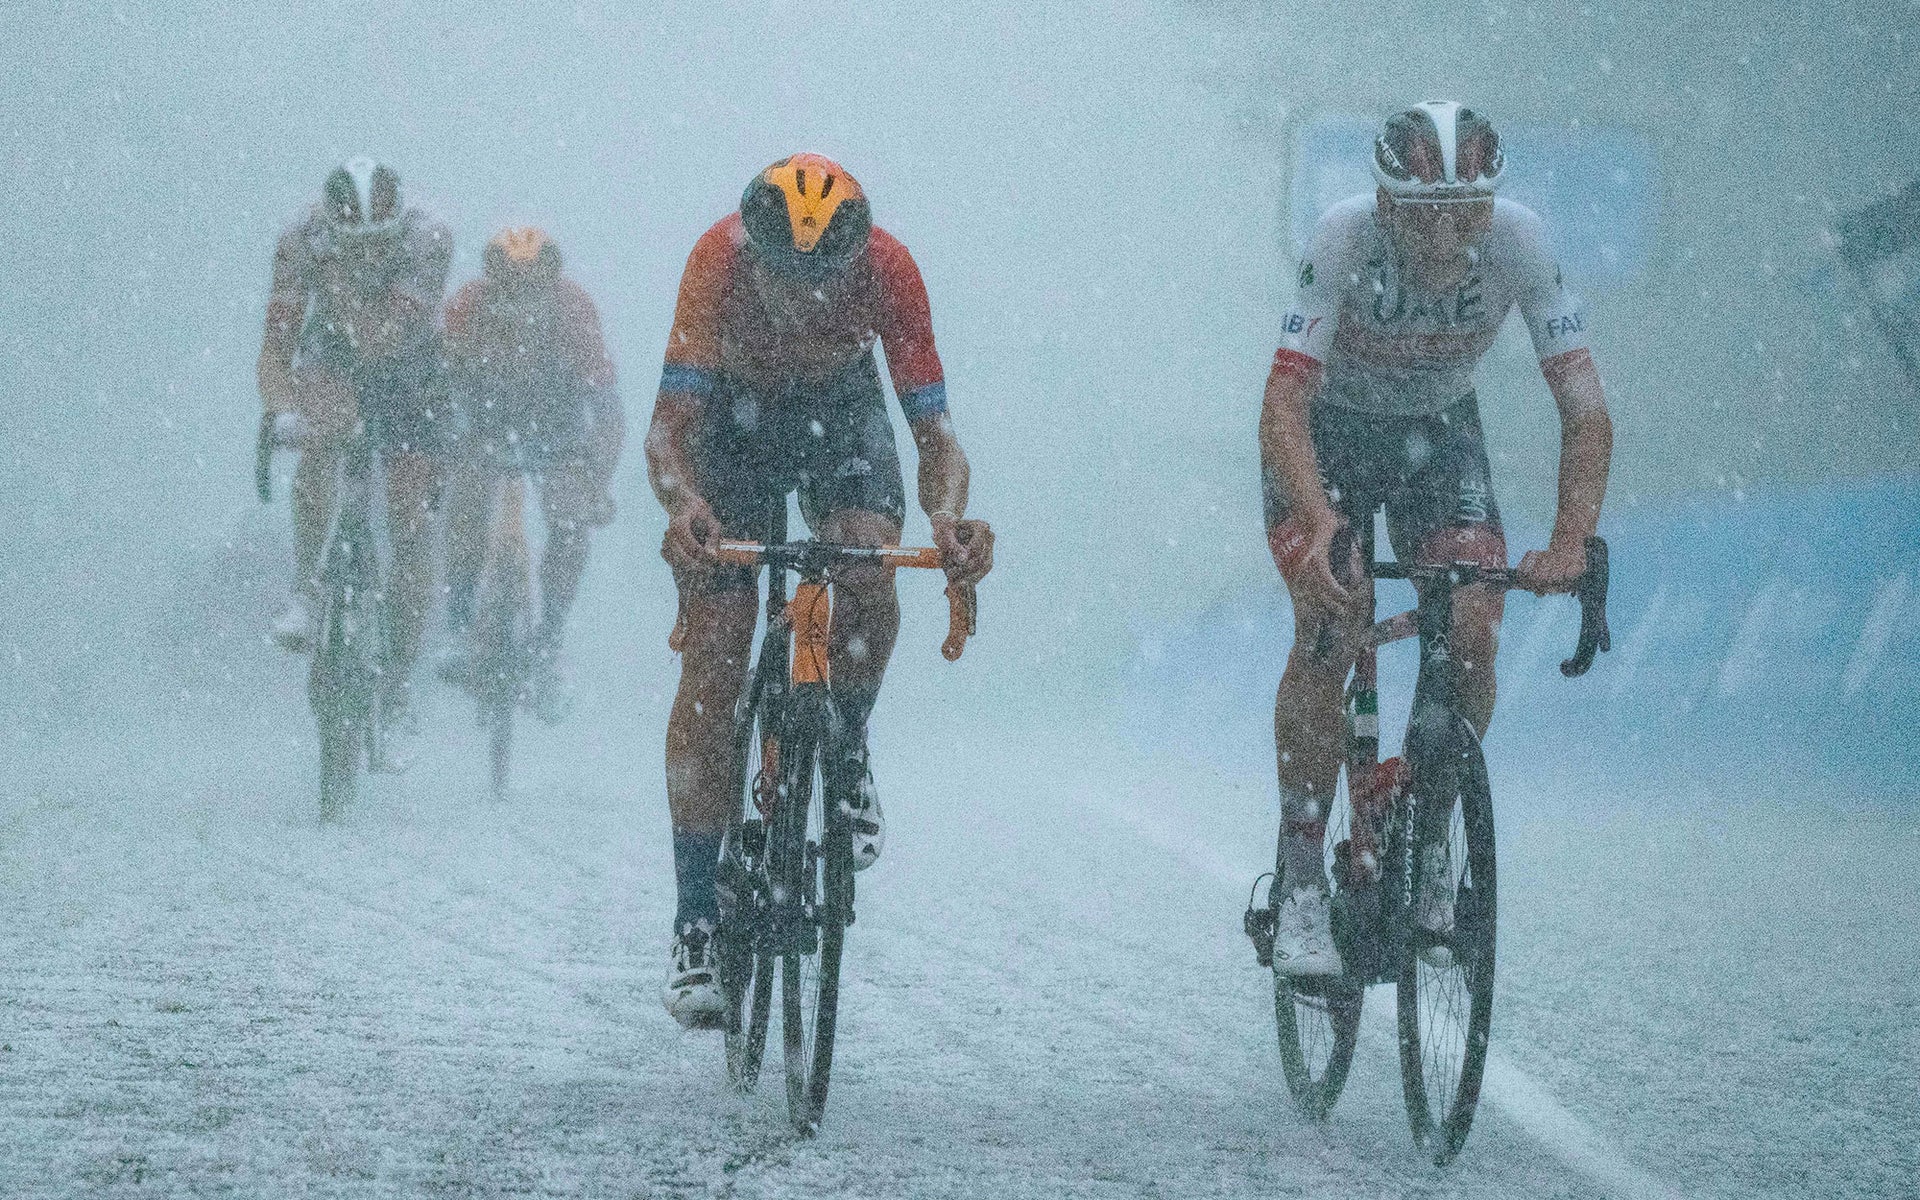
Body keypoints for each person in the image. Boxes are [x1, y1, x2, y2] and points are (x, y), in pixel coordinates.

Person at [1258, 103, 1613, 975]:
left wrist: (1570, 541)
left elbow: (1586, 412)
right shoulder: (1343, 238)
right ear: (1385, 203)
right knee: (1331, 622)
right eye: (1425, 214)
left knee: (1475, 625)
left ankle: (1425, 837)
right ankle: (1301, 881)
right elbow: (1284, 405)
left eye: (1467, 211)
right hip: (1327, 434)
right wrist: (1321, 520)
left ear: (1493, 204)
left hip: (1437, 429)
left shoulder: (1521, 242)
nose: (1449, 233)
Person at [646, 154, 994, 1025]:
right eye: (784, 279)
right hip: (733, 425)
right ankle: (696, 922)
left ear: (855, 260)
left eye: (824, 282)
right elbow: (668, 434)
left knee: (869, 570)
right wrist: (686, 504)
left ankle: (846, 744)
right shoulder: (716, 261)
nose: (804, 300)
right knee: (717, 650)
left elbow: (936, 438)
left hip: (840, 416)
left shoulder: (889, 268)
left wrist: (948, 518)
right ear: (751, 251)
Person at [256, 157, 453, 759]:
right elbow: (277, 345)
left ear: (397, 229)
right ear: (329, 227)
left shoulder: (428, 237)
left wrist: (341, 287)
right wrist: (283, 409)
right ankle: (307, 588)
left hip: (412, 368)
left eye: (377, 245)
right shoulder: (301, 238)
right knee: (320, 438)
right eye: (353, 245)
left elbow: (386, 334)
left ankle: (398, 684)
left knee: (411, 520)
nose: (366, 254)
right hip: (334, 356)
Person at [438, 228, 624, 720]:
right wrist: (443, 456)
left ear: (551, 276)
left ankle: (550, 640)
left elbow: (607, 408)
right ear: (491, 275)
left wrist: (597, 483)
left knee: (569, 520)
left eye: (532, 280)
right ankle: (459, 620)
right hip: (484, 425)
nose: (520, 292)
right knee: (466, 500)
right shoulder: (468, 305)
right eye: (509, 279)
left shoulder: (572, 309)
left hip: (556, 430)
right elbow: (438, 384)